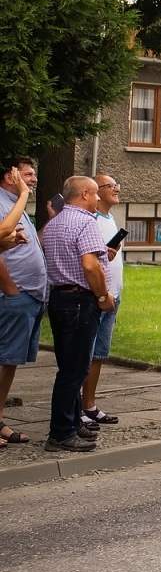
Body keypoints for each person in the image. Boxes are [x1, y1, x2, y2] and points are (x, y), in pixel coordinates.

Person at [40, 177, 117, 452]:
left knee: (68, 365)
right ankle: (60, 432)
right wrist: (102, 296)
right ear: (85, 194)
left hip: (59, 298)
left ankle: (72, 423)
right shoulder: (87, 221)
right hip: (81, 300)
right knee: (75, 370)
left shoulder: (56, 221)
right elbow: (89, 265)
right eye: (95, 194)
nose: (98, 199)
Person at [0, 159, 46, 449]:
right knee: (3, 361)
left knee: (11, 362)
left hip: (29, 296)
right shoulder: (4, 202)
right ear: (10, 175)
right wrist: (11, 289)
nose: (34, 179)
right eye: (28, 173)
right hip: (13, 297)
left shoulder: (15, 201)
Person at [79, 175, 126, 430]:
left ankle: (90, 404)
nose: (117, 188)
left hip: (113, 293)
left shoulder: (109, 218)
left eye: (116, 184)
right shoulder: (91, 219)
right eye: (111, 186)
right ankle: (78, 407)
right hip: (97, 294)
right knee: (85, 353)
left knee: (99, 354)